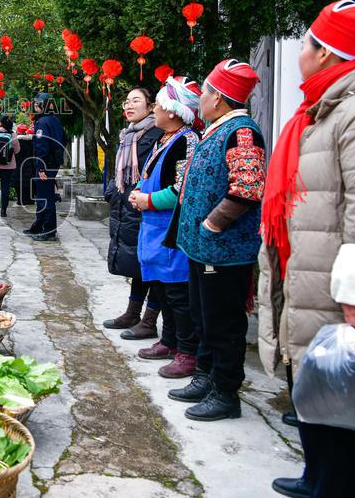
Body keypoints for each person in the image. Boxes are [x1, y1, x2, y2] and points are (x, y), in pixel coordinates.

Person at [257, 0, 355, 498]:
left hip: (338, 285)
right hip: (307, 273)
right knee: (311, 388)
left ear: (325, 54)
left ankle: (340, 486)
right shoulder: (321, 107)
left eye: (309, 45)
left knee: (342, 399)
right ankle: (316, 476)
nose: (301, 55)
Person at [166, 58, 265, 421]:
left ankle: (225, 392)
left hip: (223, 252)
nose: (201, 98)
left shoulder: (241, 132)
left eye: (205, 91)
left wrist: (211, 225)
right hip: (202, 248)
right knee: (203, 315)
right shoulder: (215, 129)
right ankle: (204, 375)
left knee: (223, 323)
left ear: (219, 98)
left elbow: (248, 190)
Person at [128, 77, 201, 378]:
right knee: (160, 288)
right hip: (153, 227)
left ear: (173, 111)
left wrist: (148, 199)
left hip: (171, 227)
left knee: (177, 294)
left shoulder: (187, 140)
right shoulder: (164, 138)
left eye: (157, 104)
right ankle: (168, 341)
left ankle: (187, 351)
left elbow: (181, 188)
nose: (154, 110)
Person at [102, 88, 166, 335]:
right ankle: (132, 313)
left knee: (151, 264)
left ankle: (149, 320)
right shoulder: (129, 135)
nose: (129, 105)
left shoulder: (157, 135)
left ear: (151, 107)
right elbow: (119, 171)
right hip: (127, 206)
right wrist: (112, 192)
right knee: (139, 264)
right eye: (126, 101)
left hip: (146, 206)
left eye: (136, 101)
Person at [25, 92, 64, 241]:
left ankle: (48, 231)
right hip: (52, 163)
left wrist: (41, 167)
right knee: (43, 196)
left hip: (45, 165)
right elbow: (63, 140)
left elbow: (42, 146)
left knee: (45, 198)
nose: (35, 106)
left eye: (37, 104)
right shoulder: (55, 120)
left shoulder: (43, 122)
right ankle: (38, 227)